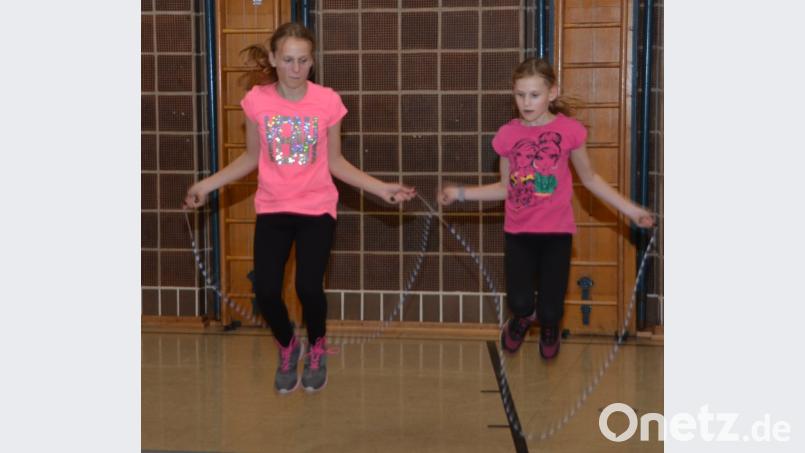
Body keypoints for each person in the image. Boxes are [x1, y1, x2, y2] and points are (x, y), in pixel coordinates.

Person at [183, 22, 415, 394]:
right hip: (274, 208)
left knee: (309, 287)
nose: (295, 68)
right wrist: (207, 185)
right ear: (273, 59)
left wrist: (380, 188)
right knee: (268, 292)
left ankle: (318, 347)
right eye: (287, 60)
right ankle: (289, 346)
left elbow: (336, 163)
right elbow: (250, 157)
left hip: (316, 208)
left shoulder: (327, 101)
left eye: (303, 60)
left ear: (313, 61)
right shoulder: (257, 101)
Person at [438, 58, 653, 360]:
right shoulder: (508, 135)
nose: (526, 103)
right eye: (519, 95)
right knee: (521, 301)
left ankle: (549, 324)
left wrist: (631, 211)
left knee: (552, 308)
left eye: (534, 95)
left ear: (552, 93)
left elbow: (590, 179)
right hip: (519, 232)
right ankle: (523, 319)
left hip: (556, 233)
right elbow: (504, 187)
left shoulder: (569, 131)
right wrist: (460, 193)